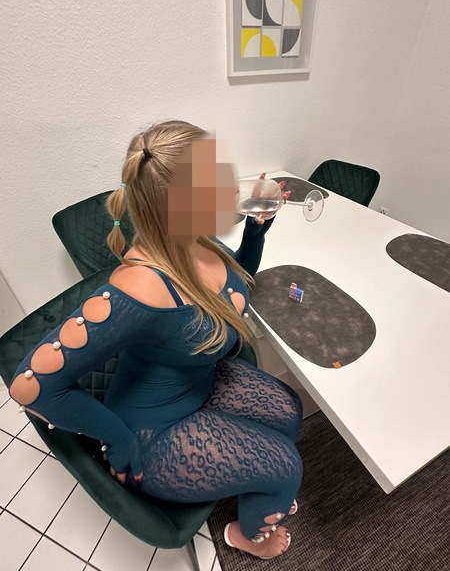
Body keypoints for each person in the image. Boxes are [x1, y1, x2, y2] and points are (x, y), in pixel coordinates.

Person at [9, 120, 303, 560]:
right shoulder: (141, 287)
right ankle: (243, 536)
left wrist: (256, 232)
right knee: (286, 468)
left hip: (197, 385)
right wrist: (120, 441)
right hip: (154, 435)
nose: (232, 188)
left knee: (290, 411)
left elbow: (233, 284)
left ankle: (258, 488)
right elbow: (30, 386)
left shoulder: (196, 241)